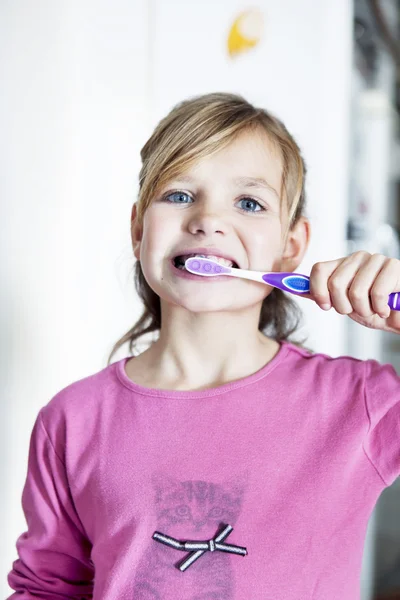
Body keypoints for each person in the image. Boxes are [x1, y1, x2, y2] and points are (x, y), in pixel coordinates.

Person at [7, 92, 400, 600]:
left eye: (249, 203)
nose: (207, 220)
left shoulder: (362, 402)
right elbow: (47, 589)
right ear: (137, 230)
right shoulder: (71, 421)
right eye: (178, 195)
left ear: (291, 246)